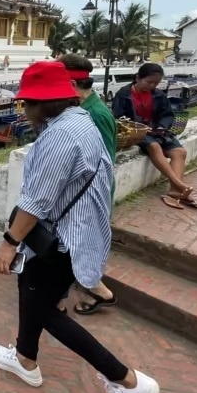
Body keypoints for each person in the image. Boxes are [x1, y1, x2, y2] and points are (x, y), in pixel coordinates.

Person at [0, 62, 159, 393]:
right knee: (31, 292)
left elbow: (36, 202)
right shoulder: (81, 120)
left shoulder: (60, 136)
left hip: (61, 241)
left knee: (42, 309)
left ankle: (127, 379)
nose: (24, 111)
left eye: (26, 104)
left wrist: (8, 244)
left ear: (39, 104)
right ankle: (25, 359)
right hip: (75, 232)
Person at [59, 54, 118, 316]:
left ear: (71, 83)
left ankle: (98, 292)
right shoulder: (82, 108)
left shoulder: (95, 114)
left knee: (78, 246)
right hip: (80, 192)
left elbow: (103, 161)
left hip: (89, 194)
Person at [112, 62, 196, 209]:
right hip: (137, 132)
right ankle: (179, 185)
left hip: (158, 131)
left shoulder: (159, 95)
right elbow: (119, 117)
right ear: (138, 78)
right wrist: (140, 127)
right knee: (154, 147)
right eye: (149, 82)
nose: (152, 86)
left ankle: (175, 191)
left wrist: (162, 126)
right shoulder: (123, 95)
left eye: (156, 83)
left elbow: (167, 115)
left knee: (180, 152)